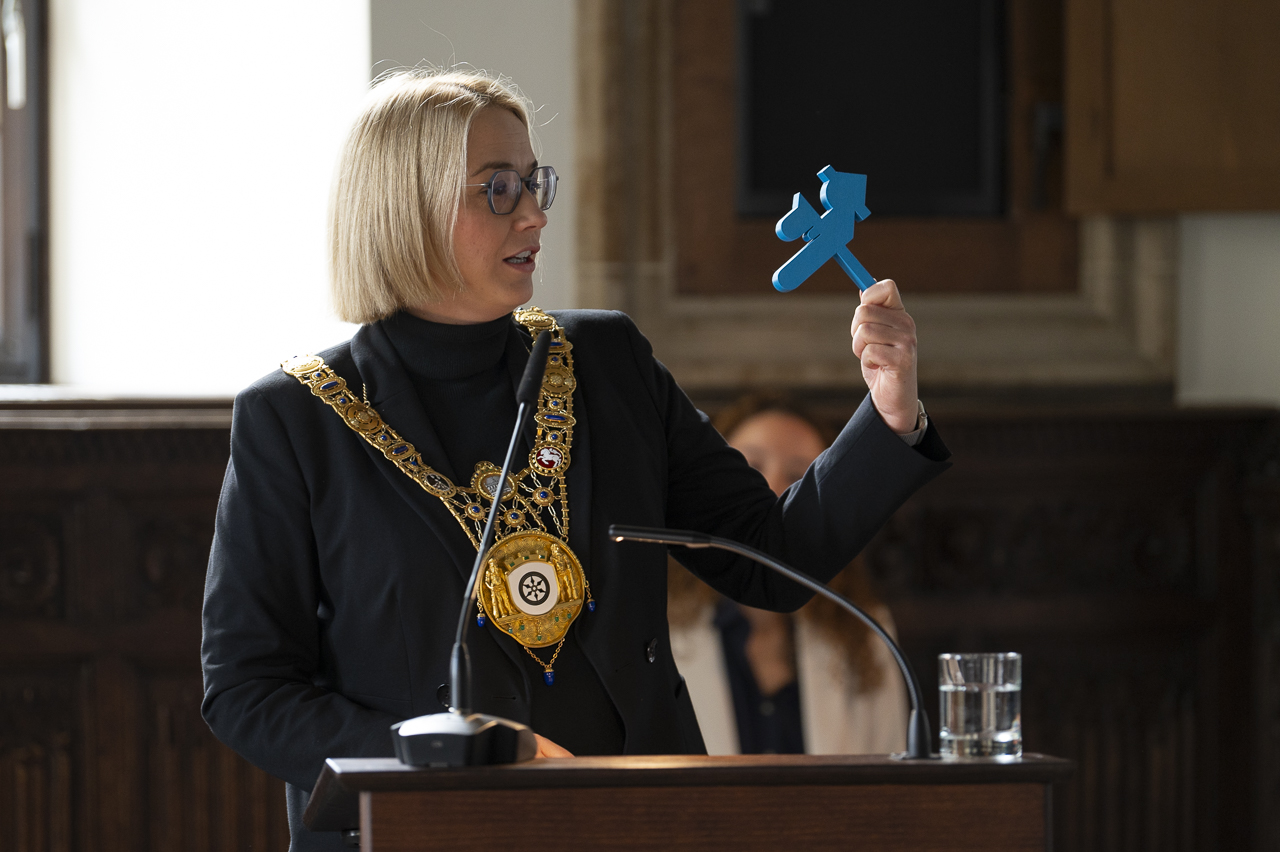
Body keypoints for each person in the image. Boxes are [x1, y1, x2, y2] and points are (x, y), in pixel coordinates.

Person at [200, 68, 950, 851]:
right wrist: (454, 755)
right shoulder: (294, 418)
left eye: (535, 183)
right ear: (405, 208)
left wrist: (889, 413)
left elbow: (771, 559)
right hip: (421, 829)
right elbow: (248, 693)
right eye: (498, 190)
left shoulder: (606, 360)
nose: (533, 215)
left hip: (634, 820)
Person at [668, 393, 907, 755]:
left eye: (799, 477)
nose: (772, 491)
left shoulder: (868, 630)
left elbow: (891, 769)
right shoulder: (654, 625)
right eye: (749, 467)